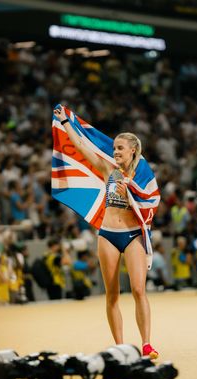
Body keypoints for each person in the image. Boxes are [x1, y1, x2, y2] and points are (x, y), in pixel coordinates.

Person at [53, 106, 159, 358]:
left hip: (132, 235)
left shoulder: (142, 176)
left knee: (138, 290)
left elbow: (151, 201)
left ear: (133, 150)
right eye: (114, 148)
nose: (115, 151)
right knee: (112, 294)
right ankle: (121, 347)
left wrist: (131, 193)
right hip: (108, 235)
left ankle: (146, 344)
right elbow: (81, 146)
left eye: (120, 148)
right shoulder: (108, 171)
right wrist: (66, 122)